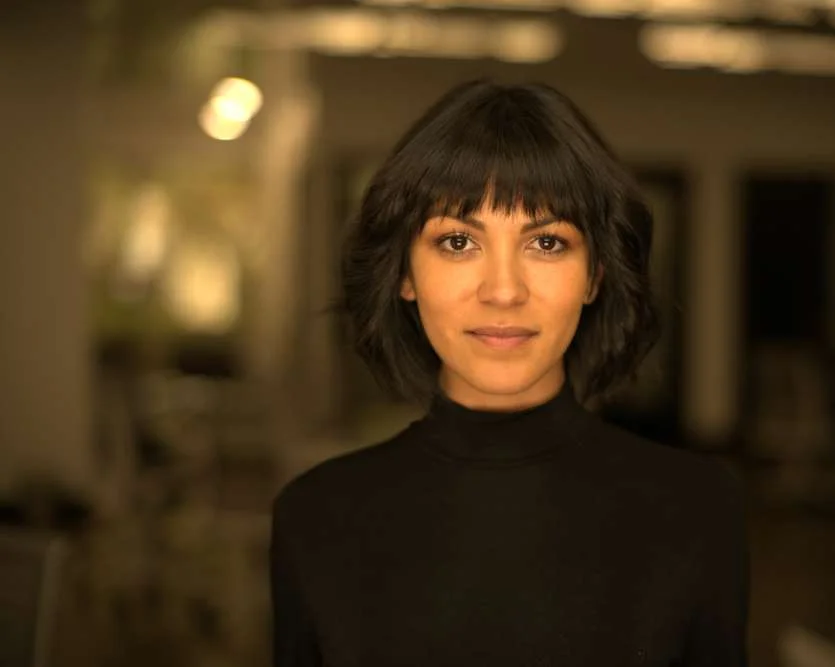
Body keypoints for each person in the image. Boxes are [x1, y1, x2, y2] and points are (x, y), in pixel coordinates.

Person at [269, 79, 749, 667]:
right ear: (405, 275)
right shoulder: (316, 518)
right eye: (457, 241)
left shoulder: (699, 511)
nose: (503, 291)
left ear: (595, 275)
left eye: (546, 243)